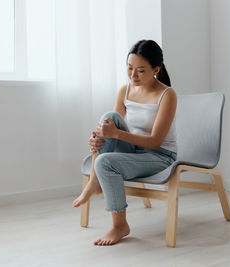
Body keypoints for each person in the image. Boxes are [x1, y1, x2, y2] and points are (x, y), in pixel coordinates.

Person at [72, 40, 177, 246]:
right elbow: (111, 129)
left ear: (156, 70)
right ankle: (95, 180)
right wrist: (98, 139)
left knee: (105, 162)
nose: (133, 76)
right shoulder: (125, 90)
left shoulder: (167, 95)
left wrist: (115, 134)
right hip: (134, 150)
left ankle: (120, 225)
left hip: (160, 156)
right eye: (129, 68)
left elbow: (155, 142)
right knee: (109, 116)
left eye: (140, 70)